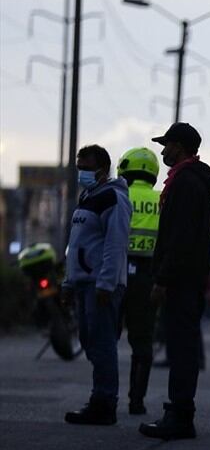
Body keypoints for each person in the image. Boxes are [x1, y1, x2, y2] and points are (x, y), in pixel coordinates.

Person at [139, 122, 210, 440]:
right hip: (188, 278)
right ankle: (179, 412)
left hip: (182, 280)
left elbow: (180, 237)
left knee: (181, 350)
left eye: (167, 145)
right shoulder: (192, 180)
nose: (162, 151)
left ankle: (180, 416)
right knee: (181, 348)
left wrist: (162, 279)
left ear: (181, 147)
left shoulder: (186, 183)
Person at [61, 144, 132, 426]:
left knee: (102, 345)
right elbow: (76, 243)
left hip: (100, 285)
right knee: (91, 342)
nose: (82, 173)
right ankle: (101, 398)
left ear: (102, 169)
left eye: (86, 168)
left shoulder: (113, 198)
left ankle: (104, 403)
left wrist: (106, 283)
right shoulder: (87, 197)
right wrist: (68, 282)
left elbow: (116, 244)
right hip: (83, 283)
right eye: (78, 168)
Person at [116, 147, 162, 415]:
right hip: (149, 275)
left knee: (106, 338)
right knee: (143, 341)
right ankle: (137, 401)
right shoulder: (162, 199)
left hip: (117, 271)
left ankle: (104, 394)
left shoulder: (118, 195)